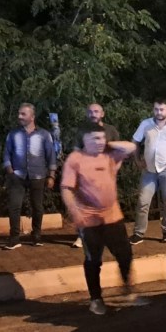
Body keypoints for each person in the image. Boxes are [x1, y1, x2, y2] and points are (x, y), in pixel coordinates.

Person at [60, 124, 144, 315]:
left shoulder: (109, 155)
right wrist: (75, 213)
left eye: (102, 138)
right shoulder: (75, 159)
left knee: (125, 255)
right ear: (84, 139)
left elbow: (131, 147)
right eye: (95, 138)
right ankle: (96, 299)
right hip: (89, 220)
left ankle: (128, 291)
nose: (100, 142)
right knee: (93, 260)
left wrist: (107, 144)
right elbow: (66, 189)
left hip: (113, 216)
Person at [3, 102, 57, 249]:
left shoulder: (44, 134)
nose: (19, 116)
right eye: (19, 113)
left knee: (37, 207)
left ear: (32, 117)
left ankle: (36, 235)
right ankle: (14, 238)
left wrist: (51, 175)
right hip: (17, 176)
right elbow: (7, 152)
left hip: (38, 176)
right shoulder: (13, 134)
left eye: (23, 114)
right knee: (14, 207)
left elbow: (51, 155)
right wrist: (9, 169)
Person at [130, 99, 166, 245]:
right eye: (156, 109)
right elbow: (135, 141)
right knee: (143, 201)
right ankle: (138, 233)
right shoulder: (146, 124)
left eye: (162, 109)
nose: (159, 112)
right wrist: (137, 160)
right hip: (149, 169)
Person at [71, 103, 120, 249]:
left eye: (96, 111)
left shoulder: (111, 130)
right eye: (91, 112)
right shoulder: (82, 131)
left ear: (102, 114)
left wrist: (114, 170)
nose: (93, 114)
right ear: (87, 114)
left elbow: (118, 152)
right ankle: (82, 237)